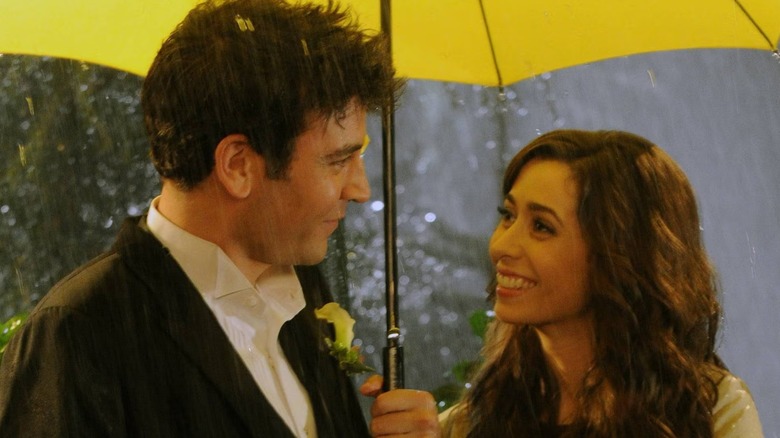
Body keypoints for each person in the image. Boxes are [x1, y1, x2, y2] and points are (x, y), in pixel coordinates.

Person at [0, 0, 438, 436]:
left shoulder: (303, 291)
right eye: (338, 161)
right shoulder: (80, 334)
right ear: (237, 166)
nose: (360, 190)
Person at [439, 130, 763, 437]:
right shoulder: (471, 421)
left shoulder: (711, 411)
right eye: (508, 215)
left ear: (618, 255)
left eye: (541, 226)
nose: (501, 246)